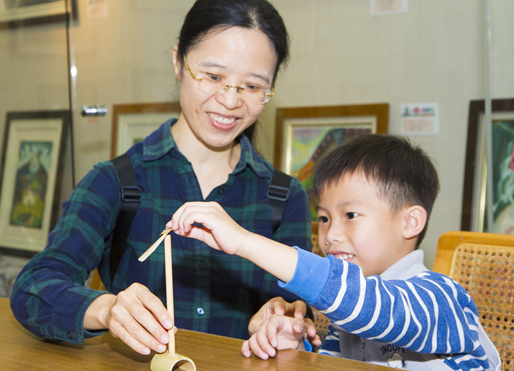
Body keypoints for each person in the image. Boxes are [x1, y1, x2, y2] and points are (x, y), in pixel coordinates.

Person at [10, 0, 312, 356]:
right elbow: (33, 289)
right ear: (177, 62)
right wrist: (107, 309)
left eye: (253, 86)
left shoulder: (283, 197)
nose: (231, 101)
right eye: (213, 76)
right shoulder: (117, 182)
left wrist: (285, 319)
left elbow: (296, 308)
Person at [168, 134, 502, 370]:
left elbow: (368, 304)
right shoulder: (345, 327)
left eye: (350, 215)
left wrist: (244, 242)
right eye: (324, 218)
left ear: (410, 222)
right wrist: (293, 347)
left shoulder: (440, 299)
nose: (330, 234)